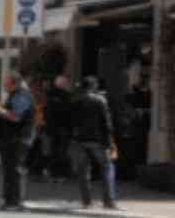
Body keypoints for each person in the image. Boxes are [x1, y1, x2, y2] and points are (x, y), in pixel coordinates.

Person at [0, 72, 36, 212]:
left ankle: (16, 202)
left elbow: (15, 117)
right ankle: (9, 201)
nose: (4, 85)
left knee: (14, 170)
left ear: (14, 82)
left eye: (6, 82)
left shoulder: (22, 95)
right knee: (8, 170)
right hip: (10, 139)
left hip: (18, 139)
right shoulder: (15, 94)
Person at [70, 75, 119, 210]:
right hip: (98, 140)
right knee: (107, 167)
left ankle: (86, 201)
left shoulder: (75, 101)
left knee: (83, 171)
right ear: (94, 86)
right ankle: (109, 201)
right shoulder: (100, 101)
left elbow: (70, 121)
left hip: (79, 140)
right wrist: (109, 142)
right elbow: (107, 123)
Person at [45, 75, 73, 180]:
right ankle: (61, 174)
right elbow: (70, 112)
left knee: (54, 150)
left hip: (52, 129)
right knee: (62, 151)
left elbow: (47, 113)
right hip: (63, 128)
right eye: (66, 83)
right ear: (64, 84)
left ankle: (53, 173)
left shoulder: (50, 96)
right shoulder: (66, 96)